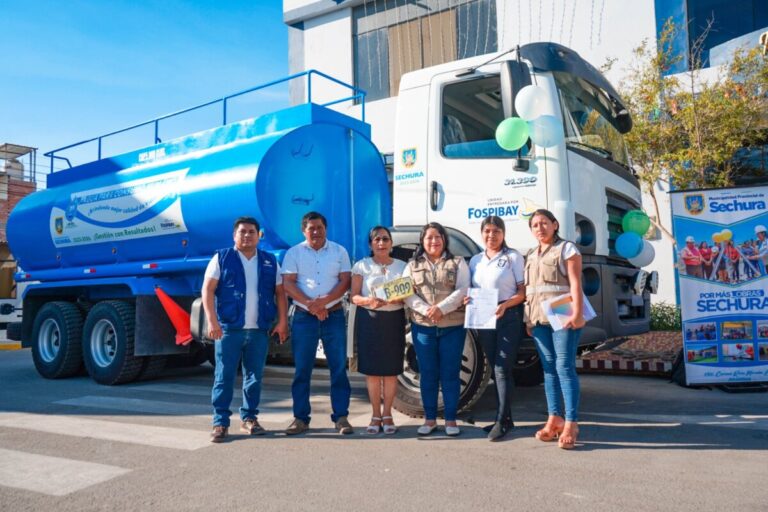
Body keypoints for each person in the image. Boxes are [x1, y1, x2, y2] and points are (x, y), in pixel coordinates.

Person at [203, 216, 288, 443]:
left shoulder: (269, 261)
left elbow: (280, 293)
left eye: (252, 232)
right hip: (230, 329)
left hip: (259, 330)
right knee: (224, 376)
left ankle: (249, 419)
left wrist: (282, 322)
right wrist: (212, 322)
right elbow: (208, 290)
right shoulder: (222, 258)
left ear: (258, 236)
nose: (247, 235)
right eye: (243, 232)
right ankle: (220, 422)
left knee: (254, 377)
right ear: (235, 235)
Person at [281, 211, 353, 435]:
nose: (316, 232)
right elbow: (288, 284)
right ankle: (300, 419)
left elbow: (346, 281)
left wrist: (325, 302)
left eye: (319, 227)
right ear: (304, 231)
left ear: (326, 229)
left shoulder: (339, 251)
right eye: (311, 228)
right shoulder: (293, 253)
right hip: (304, 318)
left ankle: (341, 417)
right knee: (302, 370)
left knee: (339, 368)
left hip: (334, 316)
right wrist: (312, 304)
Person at [524, 209, 584, 450]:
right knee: (548, 369)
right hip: (538, 318)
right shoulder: (530, 254)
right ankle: (554, 418)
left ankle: (571, 422)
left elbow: (575, 281)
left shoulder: (567, 248)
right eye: (535, 225)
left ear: (555, 224)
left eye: (544, 223)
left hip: (563, 312)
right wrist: (528, 319)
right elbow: (531, 288)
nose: (540, 228)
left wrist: (578, 313)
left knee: (564, 366)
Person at [403, 222, 469, 436]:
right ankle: (430, 419)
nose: (434, 241)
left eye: (438, 237)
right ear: (422, 241)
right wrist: (426, 310)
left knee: (450, 374)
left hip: (452, 327)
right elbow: (407, 292)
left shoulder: (458, 262)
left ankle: (451, 420)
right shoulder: (412, 265)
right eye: (429, 237)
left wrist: (441, 308)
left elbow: (463, 289)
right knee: (428, 374)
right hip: (423, 329)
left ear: (444, 240)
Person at [466, 216, 526, 441]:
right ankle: (505, 418)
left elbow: (522, 293)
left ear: (503, 233)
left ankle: (502, 421)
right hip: (484, 319)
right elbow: (472, 290)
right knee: (495, 369)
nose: (491, 236)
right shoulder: (475, 261)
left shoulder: (512, 257)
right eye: (487, 231)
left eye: (496, 231)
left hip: (508, 317)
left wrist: (505, 306)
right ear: (482, 233)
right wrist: (467, 301)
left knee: (502, 368)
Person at [350, 226, 407, 435]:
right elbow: (353, 296)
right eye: (377, 240)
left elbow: (407, 293)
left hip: (394, 319)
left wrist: (394, 298)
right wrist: (369, 300)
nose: (381, 243)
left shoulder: (403, 266)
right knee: (373, 372)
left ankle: (388, 414)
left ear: (391, 243)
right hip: (370, 320)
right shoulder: (361, 266)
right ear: (370, 244)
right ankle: (375, 414)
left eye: (385, 239)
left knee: (391, 371)